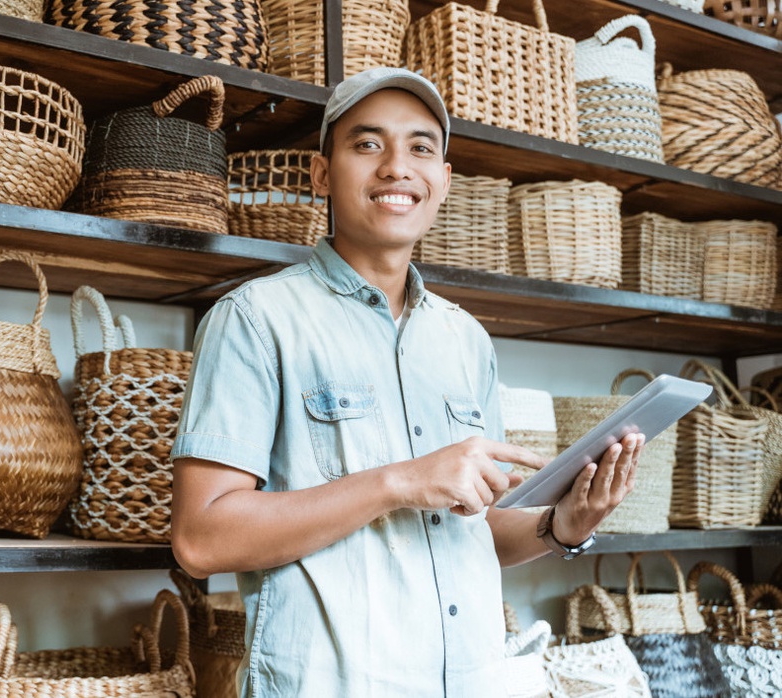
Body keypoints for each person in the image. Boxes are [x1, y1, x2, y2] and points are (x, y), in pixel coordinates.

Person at [169, 67, 643, 697]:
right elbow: (201, 540)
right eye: (367, 144)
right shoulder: (254, 320)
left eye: (421, 148)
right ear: (321, 174)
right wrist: (399, 481)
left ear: (442, 180)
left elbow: (472, 531)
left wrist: (562, 525)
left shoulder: (464, 339)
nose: (397, 166)